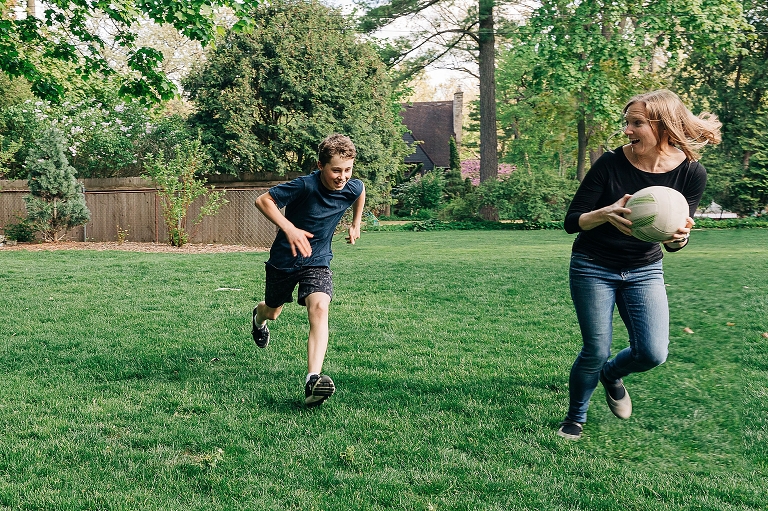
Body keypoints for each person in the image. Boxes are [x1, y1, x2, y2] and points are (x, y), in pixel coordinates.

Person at [557, 89, 722, 440]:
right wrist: (604, 213)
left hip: (644, 268)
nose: (627, 131)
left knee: (652, 353)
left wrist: (679, 239)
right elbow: (572, 220)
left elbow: (676, 235)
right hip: (593, 264)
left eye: (636, 123)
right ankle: (575, 418)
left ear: (664, 125)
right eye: (627, 122)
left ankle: (612, 374)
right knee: (595, 349)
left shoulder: (691, 173)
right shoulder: (610, 163)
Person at [251, 133, 366, 406]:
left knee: (319, 307)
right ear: (320, 166)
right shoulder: (304, 185)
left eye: (347, 169)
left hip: (318, 260)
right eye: (336, 170)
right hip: (284, 259)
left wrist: (355, 223)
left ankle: (313, 380)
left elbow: (360, 192)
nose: (342, 176)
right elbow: (263, 201)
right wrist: (289, 228)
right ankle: (258, 317)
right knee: (273, 310)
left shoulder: (352, 186)